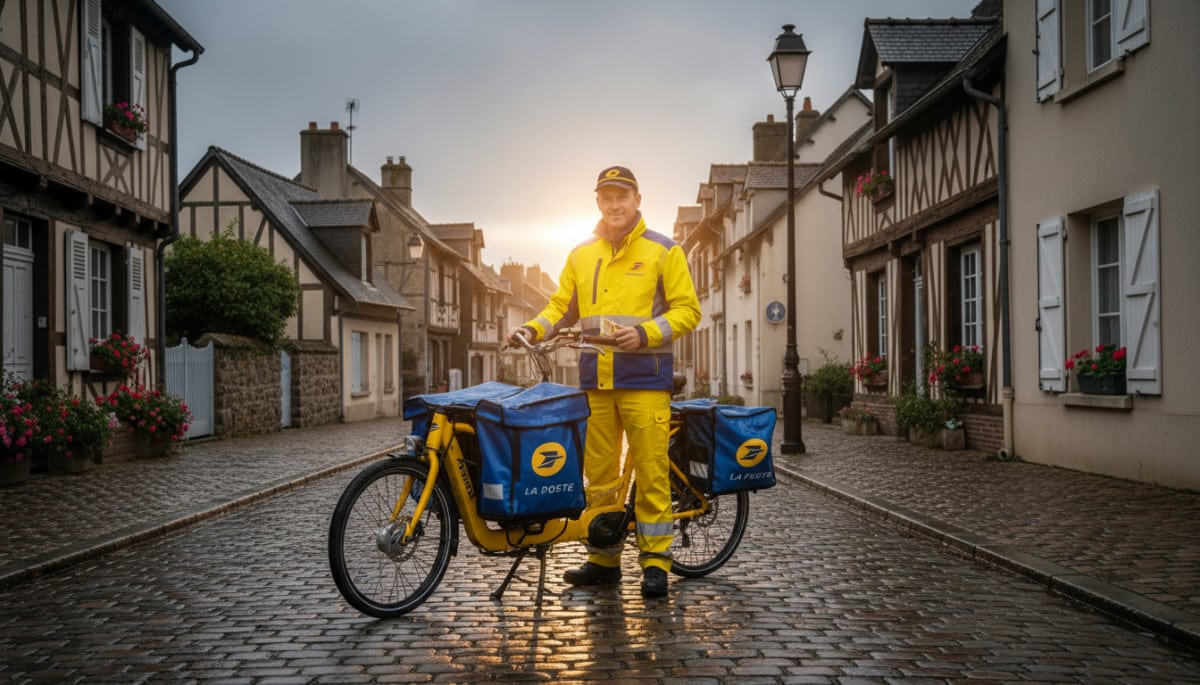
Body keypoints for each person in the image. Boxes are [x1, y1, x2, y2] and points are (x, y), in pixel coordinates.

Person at [508, 165, 701, 599]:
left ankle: (656, 562)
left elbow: (688, 310)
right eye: (607, 197)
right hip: (596, 380)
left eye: (622, 197)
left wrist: (645, 333)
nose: (614, 205)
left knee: (650, 473)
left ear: (637, 201)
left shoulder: (664, 251)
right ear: (598, 202)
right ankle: (603, 558)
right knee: (599, 476)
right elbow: (561, 306)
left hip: (644, 380)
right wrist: (532, 329)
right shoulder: (581, 254)